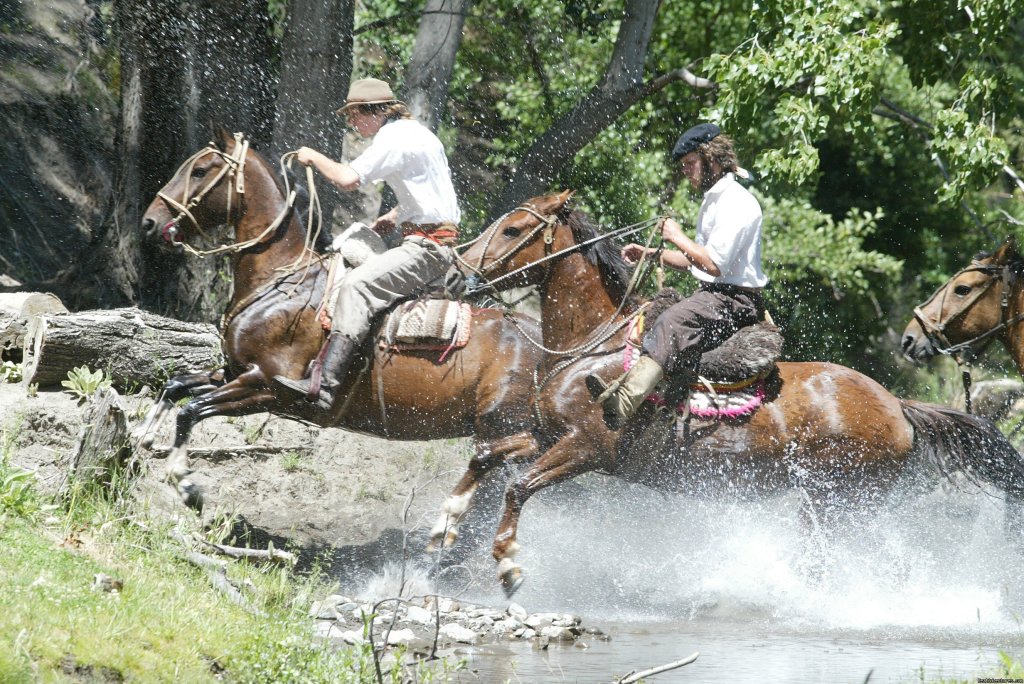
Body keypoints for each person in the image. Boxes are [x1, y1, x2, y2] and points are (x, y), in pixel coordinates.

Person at [274, 77, 461, 411]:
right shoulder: (420, 134)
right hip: (434, 239)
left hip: (427, 248)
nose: (352, 123)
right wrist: (396, 214)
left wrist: (313, 156)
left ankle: (325, 387)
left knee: (356, 286)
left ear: (374, 111)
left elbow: (347, 180)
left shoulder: (394, 138)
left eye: (354, 115)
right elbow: (433, 192)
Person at [587, 123, 767, 430]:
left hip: (734, 301)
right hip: (715, 296)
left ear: (711, 158)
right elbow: (692, 260)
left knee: (671, 320)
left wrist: (677, 235)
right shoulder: (714, 199)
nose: (685, 171)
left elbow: (712, 265)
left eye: (689, 163)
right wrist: (650, 252)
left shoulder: (737, 202)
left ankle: (625, 402)